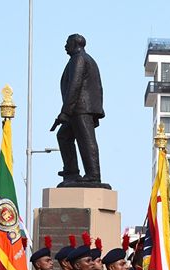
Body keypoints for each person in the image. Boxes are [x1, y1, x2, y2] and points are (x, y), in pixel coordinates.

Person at [53, 34, 106, 186]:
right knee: (63, 135)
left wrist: (65, 112)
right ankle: (71, 172)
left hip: (81, 108)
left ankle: (93, 175)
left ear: (75, 44)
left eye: (67, 43)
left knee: (86, 140)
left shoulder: (79, 59)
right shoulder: (82, 59)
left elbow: (74, 85)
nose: (65, 46)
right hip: (78, 108)